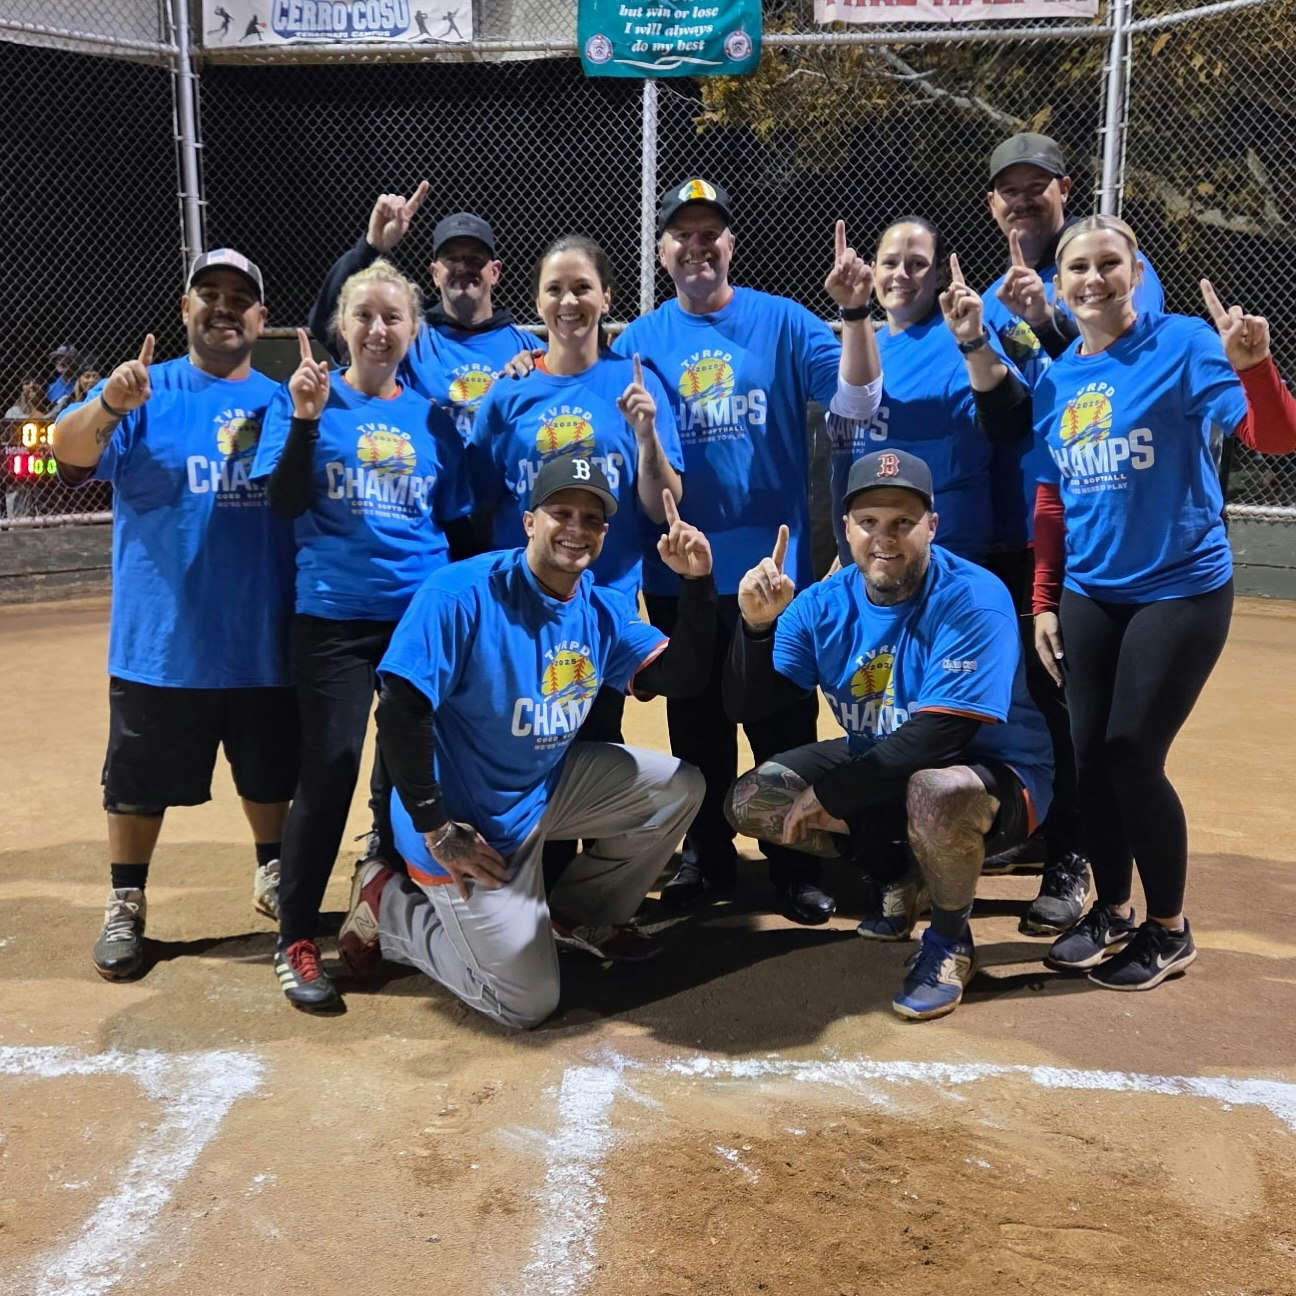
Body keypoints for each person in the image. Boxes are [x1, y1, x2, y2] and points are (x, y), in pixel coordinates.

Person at [332, 457, 714, 1028]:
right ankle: (390, 911)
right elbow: (401, 711)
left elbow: (680, 679)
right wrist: (437, 828)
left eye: (592, 518)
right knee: (524, 1003)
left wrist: (697, 586)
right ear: (529, 521)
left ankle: (578, 915)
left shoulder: (600, 607)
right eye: (561, 513)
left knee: (680, 788)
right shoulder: (460, 594)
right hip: (464, 826)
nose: (577, 529)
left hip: (541, 790)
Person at [1031, 215, 1296, 991]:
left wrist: (1256, 367)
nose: (1093, 278)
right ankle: (1110, 908)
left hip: (1180, 587)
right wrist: (1045, 599)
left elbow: (1274, 438)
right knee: (1088, 760)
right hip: (1090, 592)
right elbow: (1052, 498)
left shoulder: (1183, 344)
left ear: (1136, 270)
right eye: (1076, 267)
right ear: (1058, 284)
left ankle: (1168, 928)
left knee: (1132, 754)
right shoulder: (1057, 378)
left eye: (1109, 262)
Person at [613, 180, 884, 924]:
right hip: (681, 572)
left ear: (732, 244)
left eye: (711, 234)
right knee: (694, 724)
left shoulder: (786, 322)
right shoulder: (638, 341)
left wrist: (856, 312)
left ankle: (795, 860)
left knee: (781, 724)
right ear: (662, 250)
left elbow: (858, 401)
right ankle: (706, 857)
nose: (696, 246)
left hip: (770, 574)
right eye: (682, 235)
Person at [724, 449, 1053, 1021]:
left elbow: (940, 737)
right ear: (846, 528)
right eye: (869, 522)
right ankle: (897, 876)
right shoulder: (819, 605)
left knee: (936, 791)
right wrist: (756, 627)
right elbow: (751, 704)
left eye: (902, 522)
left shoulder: (973, 597)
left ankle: (951, 940)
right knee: (753, 800)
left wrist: (833, 796)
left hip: (994, 775)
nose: (885, 538)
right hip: (881, 760)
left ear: (932, 525)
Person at [51, 249, 298, 981]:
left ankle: (273, 871)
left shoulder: (282, 401)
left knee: (269, 772)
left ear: (260, 317)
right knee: (135, 783)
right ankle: (126, 900)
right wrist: (107, 404)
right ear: (186, 308)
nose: (224, 307)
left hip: (260, 635)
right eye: (209, 294)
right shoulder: (141, 392)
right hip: (161, 642)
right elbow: (67, 450)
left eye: (239, 298)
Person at [251, 261, 474, 1011]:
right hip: (334, 616)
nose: (379, 330)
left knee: (412, 770)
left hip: (418, 615)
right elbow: (282, 505)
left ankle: (384, 911)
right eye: (365, 316)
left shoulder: (434, 417)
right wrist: (308, 421)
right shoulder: (309, 400)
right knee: (335, 762)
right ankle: (294, 937)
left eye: (394, 318)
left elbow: (455, 521)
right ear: (342, 326)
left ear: (414, 330)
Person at [977, 133, 1164, 930]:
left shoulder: (1112, 265)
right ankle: (1044, 826)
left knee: (1072, 704)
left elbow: (1123, 369)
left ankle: (1077, 858)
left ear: (1065, 189)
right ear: (993, 204)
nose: (1023, 201)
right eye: (1008, 190)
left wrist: (1048, 316)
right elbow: (1008, 416)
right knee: (1020, 691)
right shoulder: (989, 297)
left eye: (1037, 187)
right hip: (1015, 518)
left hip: (1094, 529)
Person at [470, 234, 684, 744]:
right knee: (519, 741)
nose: (569, 302)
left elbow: (660, 508)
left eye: (583, 288)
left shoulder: (637, 384)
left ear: (606, 297)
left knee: (594, 740)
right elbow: (479, 502)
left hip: (600, 604)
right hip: (518, 607)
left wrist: (646, 435)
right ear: (539, 302)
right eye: (555, 289)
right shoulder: (508, 393)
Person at [826, 217, 1031, 567]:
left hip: (942, 554)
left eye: (917, 264)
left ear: (937, 275)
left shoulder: (954, 336)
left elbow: (1008, 420)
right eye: (890, 263)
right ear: (872, 270)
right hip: (877, 555)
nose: (901, 274)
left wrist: (973, 342)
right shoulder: (871, 344)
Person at [310, 186, 542, 443]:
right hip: (431, 480)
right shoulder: (409, 339)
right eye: (452, 259)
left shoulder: (528, 350)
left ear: (495, 272)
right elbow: (328, 325)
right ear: (434, 273)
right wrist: (371, 246)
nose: (463, 267)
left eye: (474, 259)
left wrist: (541, 367)